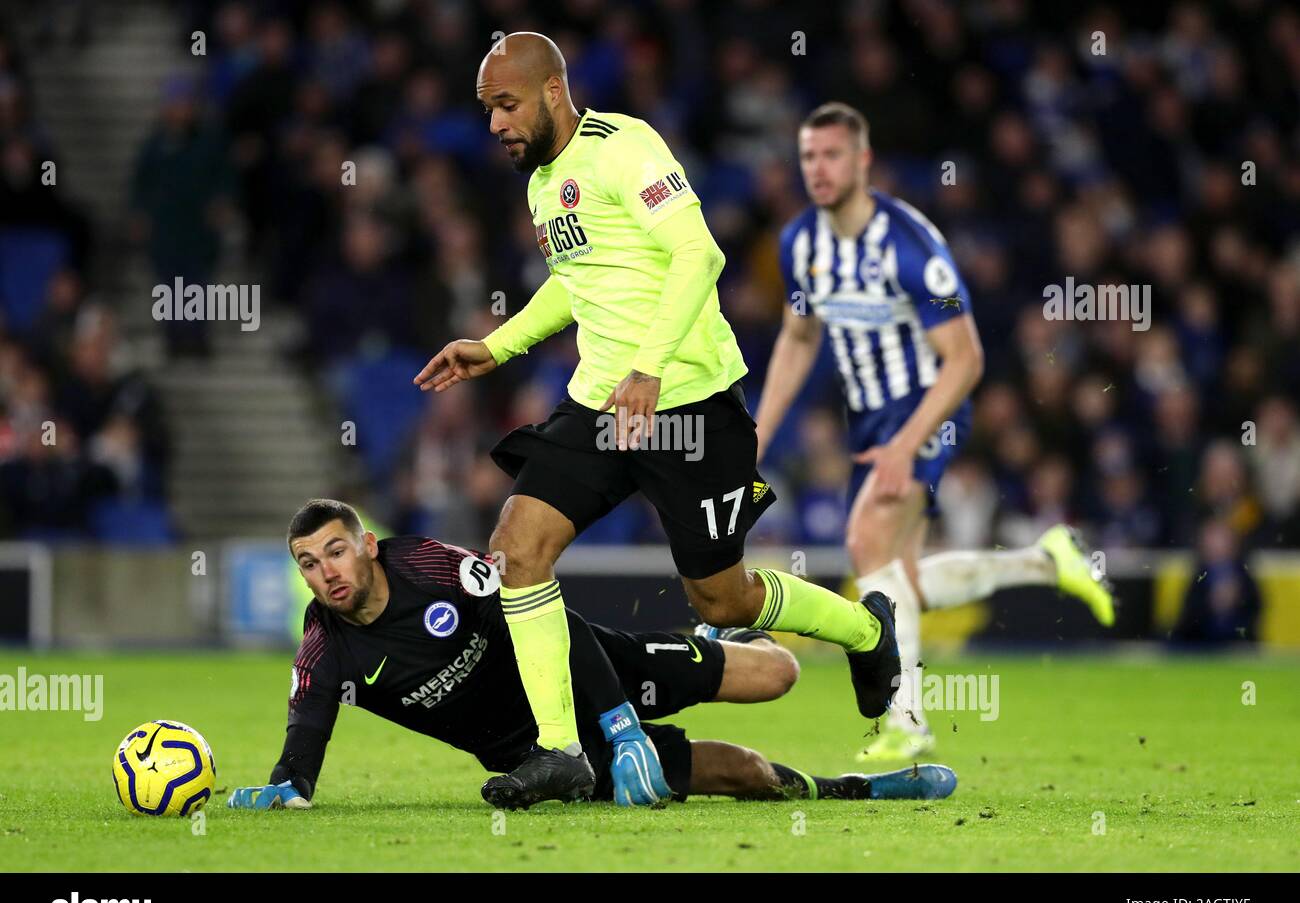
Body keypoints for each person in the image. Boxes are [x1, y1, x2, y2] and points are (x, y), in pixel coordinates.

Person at [412, 36, 901, 804]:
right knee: (517, 548)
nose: (496, 124)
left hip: (691, 407)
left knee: (722, 600)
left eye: (506, 105)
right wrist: (498, 346)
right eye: (486, 111)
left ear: (550, 93)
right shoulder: (544, 183)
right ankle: (560, 751)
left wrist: (649, 367)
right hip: (604, 407)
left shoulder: (626, 147)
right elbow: (578, 283)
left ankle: (867, 631)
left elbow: (698, 256)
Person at [755, 103, 1115, 760]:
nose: (819, 168)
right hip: (870, 419)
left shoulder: (909, 244)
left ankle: (907, 722)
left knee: (865, 545)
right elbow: (799, 337)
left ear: (863, 162)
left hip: (929, 406)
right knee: (902, 582)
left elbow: (968, 359)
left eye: (833, 155)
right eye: (808, 156)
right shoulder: (800, 243)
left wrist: (903, 443)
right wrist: (758, 432)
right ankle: (1047, 560)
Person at [228, 499, 956, 810]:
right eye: (307, 562)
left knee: (779, 674)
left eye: (334, 551)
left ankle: (824, 632)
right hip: (541, 751)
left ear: (364, 545)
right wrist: (285, 788)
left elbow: (548, 618)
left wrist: (618, 722)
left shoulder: (430, 564)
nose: (325, 572)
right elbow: (305, 740)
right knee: (739, 773)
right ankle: (859, 790)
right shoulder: (325, 648)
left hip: (591, 665)